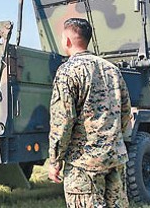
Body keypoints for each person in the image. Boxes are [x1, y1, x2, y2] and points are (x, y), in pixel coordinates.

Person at [48, 18, 132, 208]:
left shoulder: (67, 71)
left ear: (68, 40)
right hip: (115, 158)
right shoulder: (112, 70)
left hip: (84, 163)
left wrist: (55, 160)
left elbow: (63, 121)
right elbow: (125, 113)